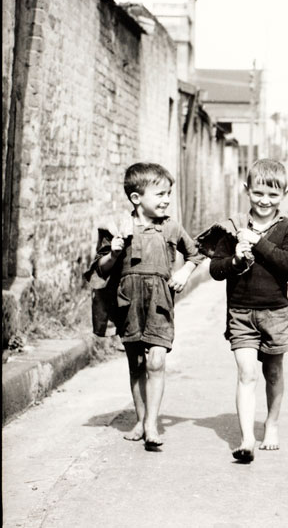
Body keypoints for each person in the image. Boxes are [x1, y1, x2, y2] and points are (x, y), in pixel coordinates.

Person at [84, 162, 204, 451]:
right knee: (136, 364)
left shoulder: (172, 227)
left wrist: (184, 272)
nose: (166, 200)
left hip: (160, 303)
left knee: (156, 361)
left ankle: (152, 422)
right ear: (136, 199)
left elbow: (197, 252)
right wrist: (114, 252)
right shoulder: (118, 229)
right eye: (160, 194)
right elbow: (99, 269)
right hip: (129, 304)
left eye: (168, 194)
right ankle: (141, 420)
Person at [207, 159, 288, 463]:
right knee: (246, 374)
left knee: (272, 372)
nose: (265, 200)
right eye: (258, 193)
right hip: (241, 312)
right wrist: (234, 259)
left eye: (273, 195)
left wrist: (259, 242)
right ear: (247, 190)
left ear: (283, 194)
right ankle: (247, 438)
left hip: (275, 312)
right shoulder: (232, 227)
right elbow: (216, 270)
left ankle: (270, 424)